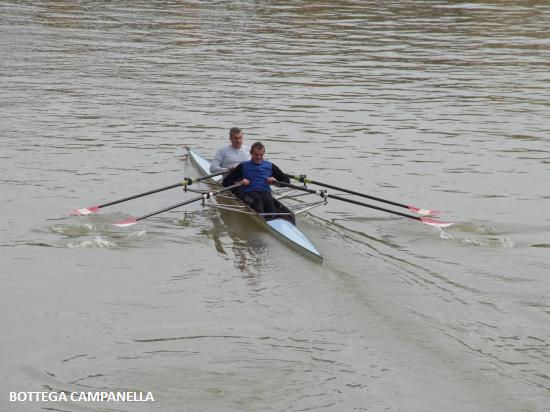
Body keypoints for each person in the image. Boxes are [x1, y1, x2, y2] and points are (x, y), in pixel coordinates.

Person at [223, 141, 290, 215]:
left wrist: (276, 182)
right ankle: (263, 219)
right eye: (256, 155)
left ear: (264, 153)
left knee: (269, 202)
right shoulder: (243, 166)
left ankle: (273, 219)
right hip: (248, 193)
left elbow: (287, 181)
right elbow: (226, 182)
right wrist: (240, 182)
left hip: (265, 191)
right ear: (251, 153)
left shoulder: (270, 166)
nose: (259, 157)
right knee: (257, 201)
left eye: (261, 155)